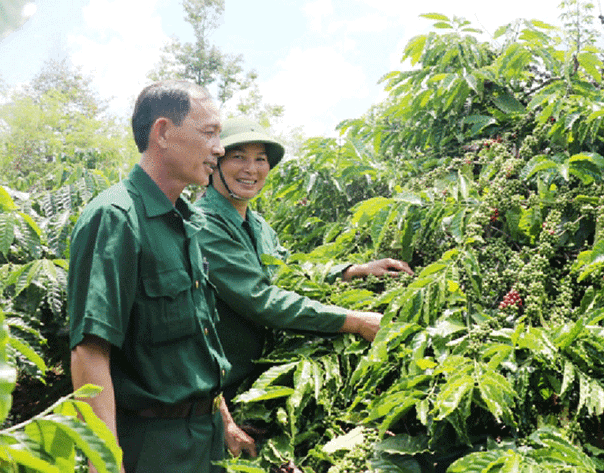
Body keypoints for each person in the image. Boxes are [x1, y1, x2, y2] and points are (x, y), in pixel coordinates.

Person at [194, 117, 413, 457]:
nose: (251, 169)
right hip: (218, 395)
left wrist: (353, 271)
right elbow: (263, 300)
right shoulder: (204, 225)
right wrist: (355, 320)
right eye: (238, 157)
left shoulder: (257, 224)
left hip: (258, 381)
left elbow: (292, 271)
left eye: (261, 159)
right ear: (215, 163)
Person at [68, 80, 232, 473]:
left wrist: (224, 421)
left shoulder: (186, 222)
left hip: (205, 439)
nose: (219, 149)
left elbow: (198, 342)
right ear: (163, 132)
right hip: (154, 448)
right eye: (208, 132)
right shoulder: (116, 218)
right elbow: (90, 351)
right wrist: (105, 463)